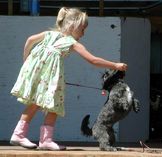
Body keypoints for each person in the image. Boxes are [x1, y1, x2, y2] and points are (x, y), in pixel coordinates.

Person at [10, 7, 128, 151]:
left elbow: (29, 40)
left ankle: (19, 134)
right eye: (82, 29)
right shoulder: (71, 42)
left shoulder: (49, 34)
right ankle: (45, 140)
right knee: (54, 105)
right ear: (74, 26)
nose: (83, 33)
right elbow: (93, 60)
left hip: (38, 76)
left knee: (35, 103)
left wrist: (26, 61)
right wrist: (115, 65)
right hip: (50, 79)